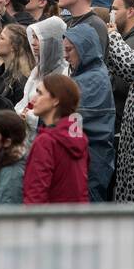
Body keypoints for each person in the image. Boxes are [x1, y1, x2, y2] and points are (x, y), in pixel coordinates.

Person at [62, 23, 116, 201]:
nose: (65, 55)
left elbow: (72, 119)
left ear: (83, 48)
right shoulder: (90, 74)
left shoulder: (91, 80)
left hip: (89, 162)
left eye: (69, 50)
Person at [22, 74, 89, 204]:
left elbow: (35, 196)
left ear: (55, 100)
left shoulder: (46, 142)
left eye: (40, 93)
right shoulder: (79, 138)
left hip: (49, 222)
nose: (33, 99)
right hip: (76, 221)